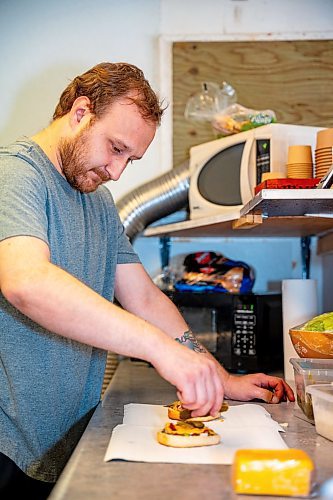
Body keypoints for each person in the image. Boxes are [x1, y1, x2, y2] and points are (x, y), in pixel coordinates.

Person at [0, 62, 294, 498]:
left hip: (60, 440)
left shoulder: (97, 201)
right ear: (81, 112)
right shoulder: (16, 174)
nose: (118, 172)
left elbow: (145, 298)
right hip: (9, 446)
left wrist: (218, 375)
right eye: (115, 148)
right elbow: (26, 281)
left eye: (130, 159)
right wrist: (159, 351)